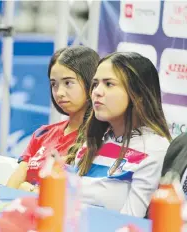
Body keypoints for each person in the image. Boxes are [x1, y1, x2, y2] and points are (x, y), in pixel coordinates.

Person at [66, 52, 172, 217]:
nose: (97, 92)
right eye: (95, 84)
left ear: (138, 95)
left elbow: (130, 221)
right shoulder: (96, 139)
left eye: (109, 84)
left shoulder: (154, 148)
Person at [6, 46, 100, 192]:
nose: (59, 92)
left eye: (68, 83)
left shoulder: (99, 139)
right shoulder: (42, 133)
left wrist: (32, 191)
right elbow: (10, 189)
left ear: (91, 83)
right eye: (54, 84)